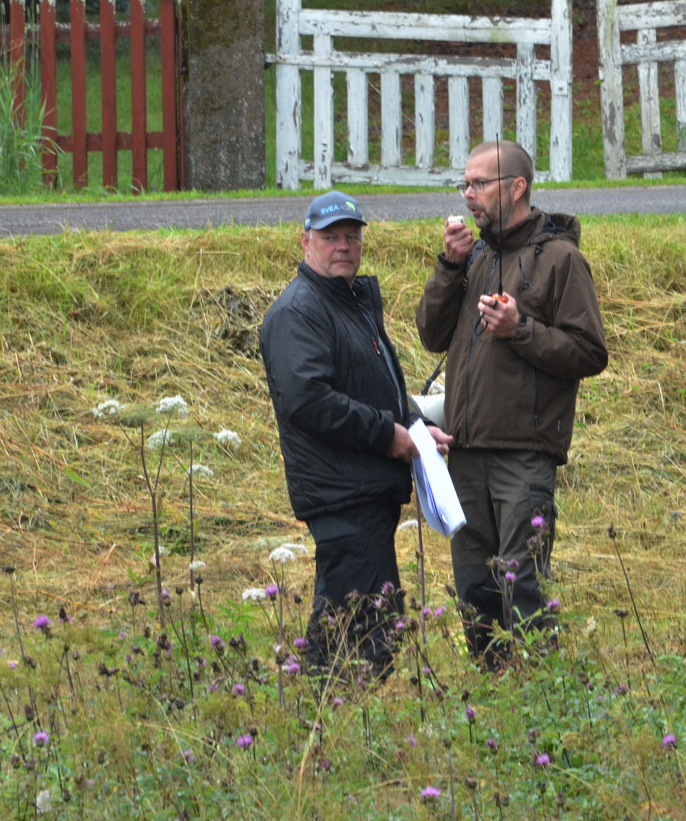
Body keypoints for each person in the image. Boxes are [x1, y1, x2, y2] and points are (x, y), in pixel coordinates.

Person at [416, 141, 608, 666]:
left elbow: (590, 352)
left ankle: (538, 693)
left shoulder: (561, 260)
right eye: (465, 184)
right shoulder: (473, 255)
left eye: (480, 184)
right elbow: (431, 334)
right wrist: (449, 265)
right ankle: (492, 696)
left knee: (522, 589)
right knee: (474, 589)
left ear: (517, 187)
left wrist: (520, 330)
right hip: (464, 454)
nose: (468, 195)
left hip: (525, 457)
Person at [259, 190, 452, 676]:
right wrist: (389, 437)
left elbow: (376, 390)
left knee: (354, 628)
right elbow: (309, 401)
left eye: (351, 236)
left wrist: (418, 429)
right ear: (305, 242)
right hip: (342, 494)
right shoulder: (297, 312)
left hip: (363, 492)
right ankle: (336, 721)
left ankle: (317, 715)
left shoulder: (350, 304)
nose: (343, 245)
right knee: (370, 638)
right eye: (330, 237)